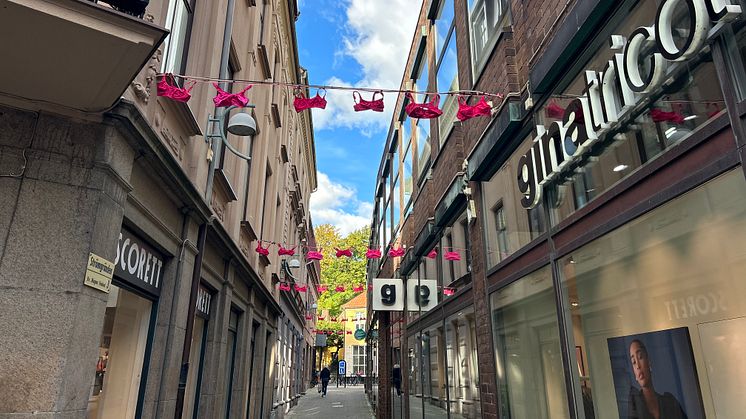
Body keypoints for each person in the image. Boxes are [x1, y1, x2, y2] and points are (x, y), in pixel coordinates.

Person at [627, 339, 687, 419]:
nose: (638, 365)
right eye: (634, 362)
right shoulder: (634, 407)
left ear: (649, 362)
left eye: (640, 357)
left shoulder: (670, 402)